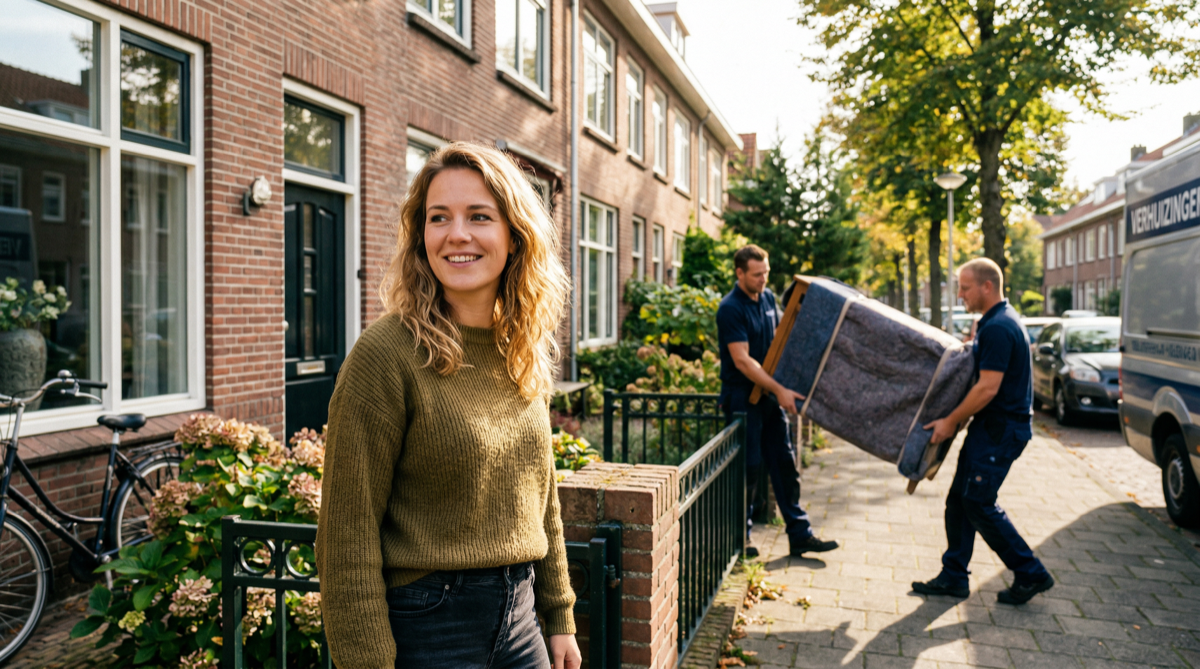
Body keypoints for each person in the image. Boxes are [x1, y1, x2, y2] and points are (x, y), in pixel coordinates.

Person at [315, 142, 582, 668]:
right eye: (439, 217)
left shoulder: (520, 347)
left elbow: (540, 494)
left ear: (514, 234)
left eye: (479, 216)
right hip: (429, 626)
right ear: (421, 236)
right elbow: (347, 533)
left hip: (521, 620)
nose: (456, 234)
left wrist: (559, 614)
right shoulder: (386, 354)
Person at [914, 257, 1054, 605]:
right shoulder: (996, 320)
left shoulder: (998, 328)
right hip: (991, 428)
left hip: (999, 432)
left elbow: (987, 388)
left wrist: (950, 421)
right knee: (959, 501)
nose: (960, 294)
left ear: (986, 287)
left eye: (965, 288)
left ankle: (1030, 572)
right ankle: (954, 576)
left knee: (977, 503)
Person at [716, 244, 838, 558]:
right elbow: (743, 361)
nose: (763, 279)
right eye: (757, 274)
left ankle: (800, 535)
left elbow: (782, 338)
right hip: (742, 400)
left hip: (768, 397)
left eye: (766, 273)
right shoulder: (730, 308)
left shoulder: (768, 298)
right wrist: (780, 389)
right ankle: (740, 540)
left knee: (784, 464)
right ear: (739, 272)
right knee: (748, 469)